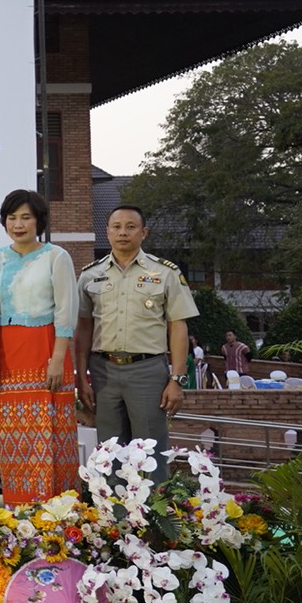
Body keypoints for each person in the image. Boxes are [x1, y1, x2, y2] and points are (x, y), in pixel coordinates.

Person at [74, 205, 198, 481]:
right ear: (107, 232)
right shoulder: (90, 275)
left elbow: (178, 326)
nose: (123, 232)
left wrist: (177, 379)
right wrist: (81, 378)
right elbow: (83, 329)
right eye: (116, 226)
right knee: (109, 453)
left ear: (144, 232)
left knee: (150, 451)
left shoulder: (164, 272)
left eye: (130, 227)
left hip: (147, 371)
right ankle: (112, 508)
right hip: (104, 371)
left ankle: (154, 508)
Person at [0, 189, 78, 504]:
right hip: (6, 353)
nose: (18, 224)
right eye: (12, 217)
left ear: (39, 220)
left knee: (51, 433)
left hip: (47, 350)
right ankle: (17, 508)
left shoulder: (57, 256)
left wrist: (58, 359)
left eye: (26, 217)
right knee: (13, 437)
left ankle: (59, 512)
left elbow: (66, 311)